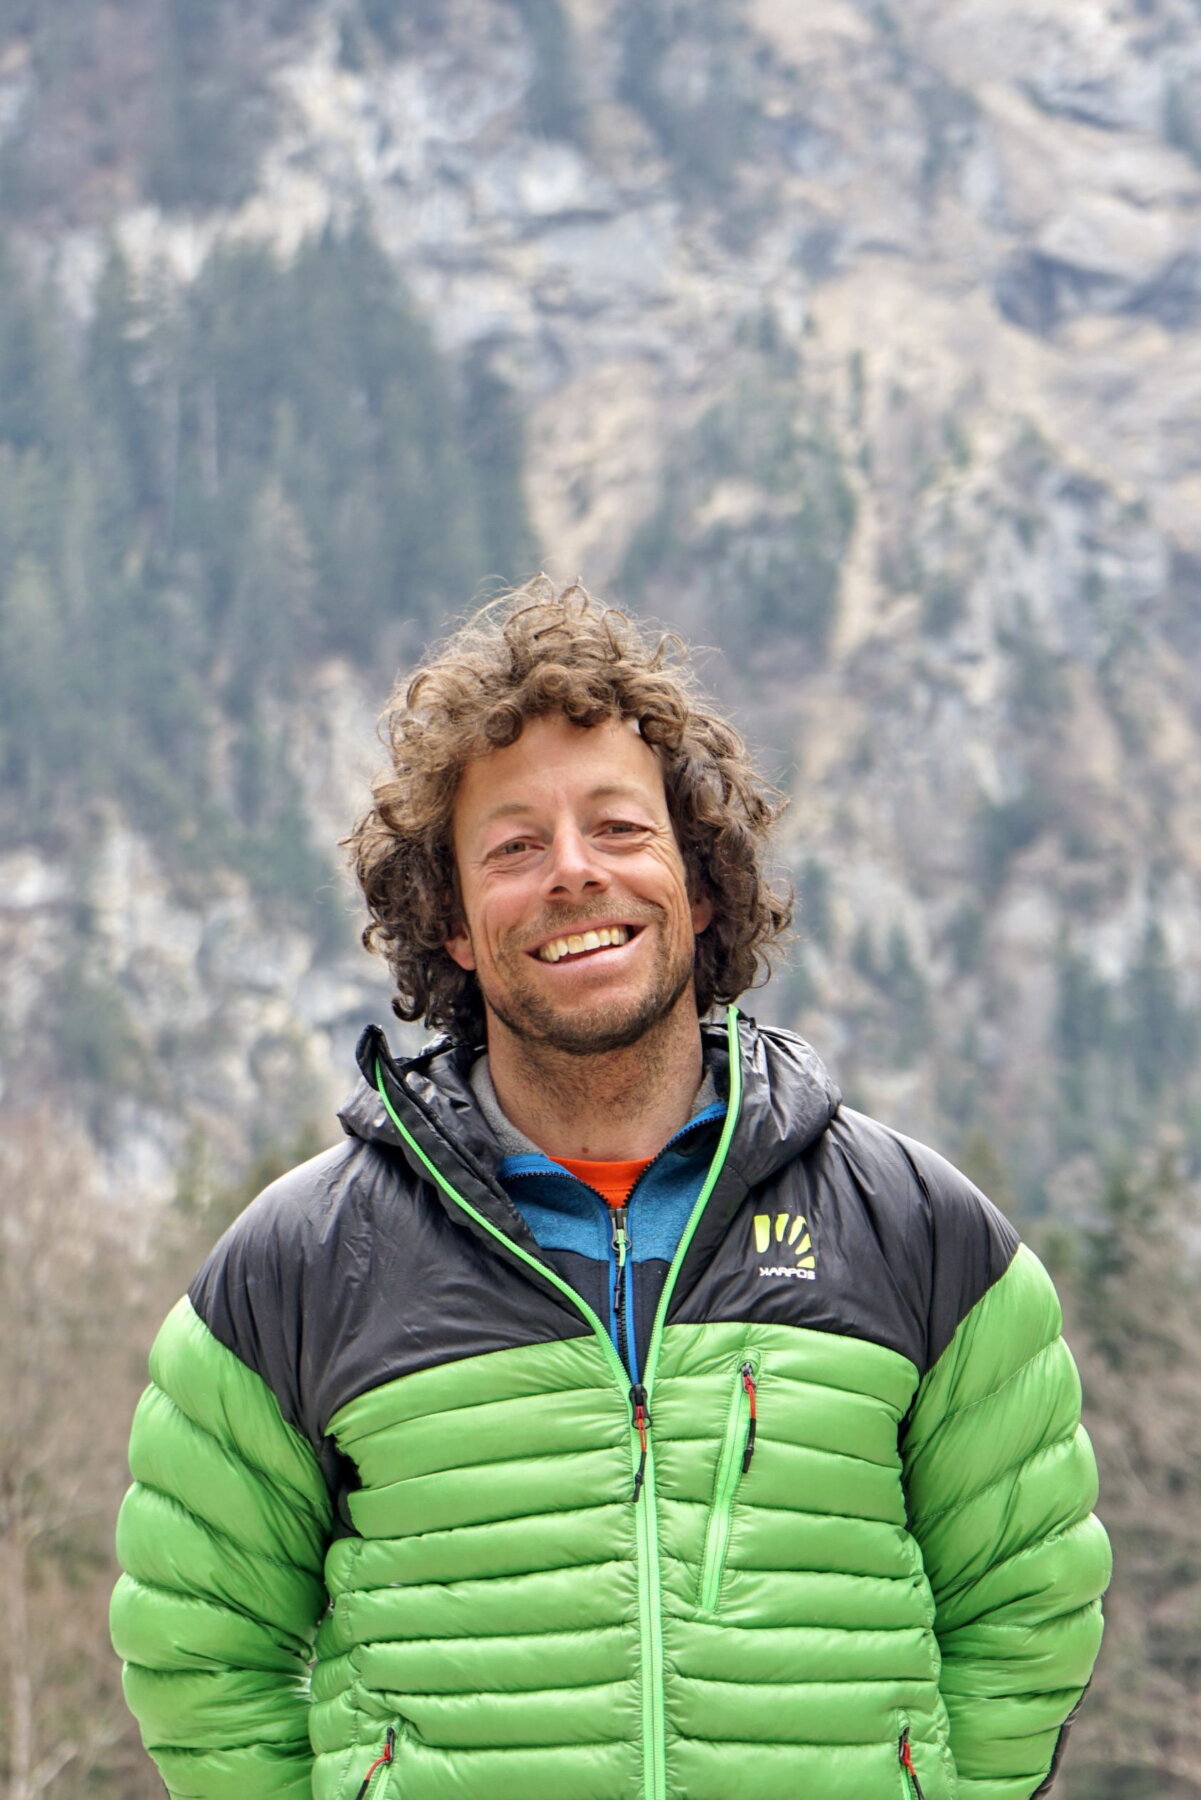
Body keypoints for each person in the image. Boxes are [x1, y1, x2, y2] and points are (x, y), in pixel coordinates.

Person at [112, 578, 1110, 1800]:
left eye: (620, 829)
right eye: (514, 846)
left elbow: (1028, 1611)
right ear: (454, 924)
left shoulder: (921, 1234)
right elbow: (197, 1649)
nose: (573, 873)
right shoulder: (300, 1266)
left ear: (701, 883)